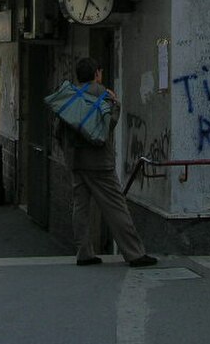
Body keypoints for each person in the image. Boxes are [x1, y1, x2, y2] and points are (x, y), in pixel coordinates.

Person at [65, 57, 156, 268]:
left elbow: (60, 130)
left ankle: (84, 252)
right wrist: (116, 105)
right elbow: (108, 125)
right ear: (97, 73)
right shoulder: (102, 94)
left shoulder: (70, 96)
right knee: (116, 206)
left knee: (80, 207)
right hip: (99, 162)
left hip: (76, 161)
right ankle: (134, 253)